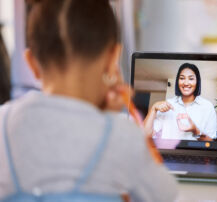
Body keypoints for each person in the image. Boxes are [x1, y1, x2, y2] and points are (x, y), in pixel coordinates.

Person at [0, 0, 177, 201]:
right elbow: (165, 195)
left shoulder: (3, 123)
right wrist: (110, 119)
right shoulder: (121, 136)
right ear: (113, 58)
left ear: (31, 62)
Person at [144, 63, 217, 141]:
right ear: (177, 81)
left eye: (191, 79)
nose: (186, 83)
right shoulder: (168, 104)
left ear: (197, 82)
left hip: (196, 153)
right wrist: (153, 108)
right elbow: (145, 135)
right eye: (182, 78)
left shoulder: (207, 106)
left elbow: (211, 142)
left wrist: (195, 130)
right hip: (169, 152)